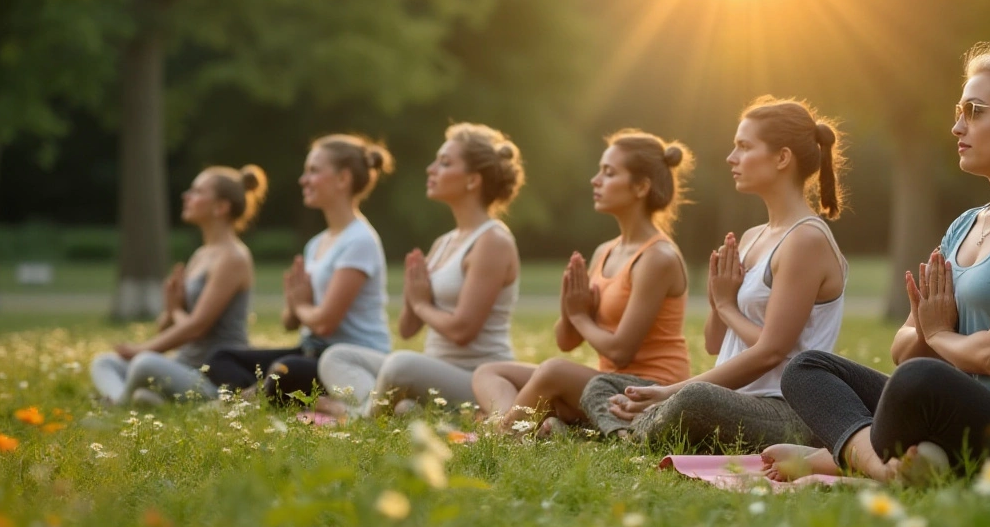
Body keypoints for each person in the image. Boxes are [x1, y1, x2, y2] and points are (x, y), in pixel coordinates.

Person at [763, 26, 990, 484]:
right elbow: (902, 346)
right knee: (808, 367)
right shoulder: (965, 225)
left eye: (974, 112)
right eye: (959, 111)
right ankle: (888, 467)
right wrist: (930, 332)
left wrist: (938, 333)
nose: (958, 126)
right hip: (963, 414)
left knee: (920, 381)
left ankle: (839, 459)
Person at [589, 97, 847, 450]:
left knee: (695, 399)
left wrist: (726, 305)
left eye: (744, 147)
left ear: (782, 158)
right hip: (733, 399)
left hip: (787, 411)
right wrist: (717, 299)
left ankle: (623, 432)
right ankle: (630, 432)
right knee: (601, 385)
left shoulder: (806, 239)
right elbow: (715, 343)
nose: (731, 158)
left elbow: (773, 351)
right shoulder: (751, 237)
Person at [471, 131, 692, 435]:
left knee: (553, 371)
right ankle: (520, 425)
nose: (595, 180)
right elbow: (567, 341)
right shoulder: (605, 251)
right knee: (490, 371)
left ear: (641, 187)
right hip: (603, 386)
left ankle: (504, 435)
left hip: (646, 393)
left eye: (609, 173)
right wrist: (570, 309)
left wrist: (579, 316)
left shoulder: (658, 257)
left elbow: (620, 352)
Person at [316, 124, 524, 418]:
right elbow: (407, 329)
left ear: (472, 180)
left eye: (445, 163)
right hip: (433, 372)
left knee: (401, 366)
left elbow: (463, 331)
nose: (431, 169)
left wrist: (420, 303)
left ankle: (358, 415)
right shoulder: (444, 243)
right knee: (336, 357)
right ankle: (388, 409)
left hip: (477, 381)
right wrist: (414, 299)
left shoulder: (493, 241)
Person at [204, 134, 394, 405]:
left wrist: (301, 305)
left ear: (343, 179)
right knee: (221, 358)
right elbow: (289, 322)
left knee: (285, 370)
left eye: (313, 171)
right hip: (310, 351)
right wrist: (294, 305)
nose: (303, 180)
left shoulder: (360, 240)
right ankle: (257, 396)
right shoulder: (316, 244)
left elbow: (326, 322)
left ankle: (249, 400)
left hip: (347, 359)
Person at [90, 165, 267, 405]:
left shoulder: (234, 257)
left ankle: (120, 405)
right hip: (183, 364)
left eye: (197, 191)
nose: (186, 196)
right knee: (104, 362)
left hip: (212, 375)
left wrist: (141, 349)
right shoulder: (201, 255)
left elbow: (197, 327)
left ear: (221, 207)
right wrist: (170, 311)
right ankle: (140, 399)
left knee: (144, 363)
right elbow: (173, 326)